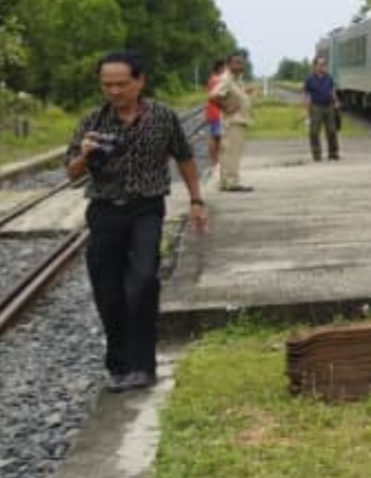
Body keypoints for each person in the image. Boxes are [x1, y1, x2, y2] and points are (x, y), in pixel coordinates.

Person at [66, 51, 209, 392]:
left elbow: (184, 157)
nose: (114, 91)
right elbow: (71, 174)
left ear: (139, 81)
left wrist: (196, 199)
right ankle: (119, 365)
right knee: (108, 289)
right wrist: (85, 155)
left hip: (146, 209)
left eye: (121, 84)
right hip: (104, 211)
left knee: (144, 281)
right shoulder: (92, 121)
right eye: (107, 85)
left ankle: (143, 366)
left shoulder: (162, 117)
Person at [210, 50, 255, 191]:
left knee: (226, 152)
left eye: (242, 62)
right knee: (232, 153)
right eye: (237, 62)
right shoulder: (227, 78)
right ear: (229, 64)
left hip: (237, 121)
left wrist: (244, 95)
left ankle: (225, 182)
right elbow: (213, 96)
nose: (241, 65)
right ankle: (232, 182)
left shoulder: (236, 78)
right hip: (233, 121)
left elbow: (232, 94)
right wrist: (226, 106)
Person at [302, 55, 341, 161]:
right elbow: (305, 94)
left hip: (329, 106)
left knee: (332, 131)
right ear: (315, 66)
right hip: (316, 107)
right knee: (314, 131)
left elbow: (332, 91)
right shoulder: (309, 79)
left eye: (324, 64)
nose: (322, 66)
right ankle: (316, 154)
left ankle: (333, 153)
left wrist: (336, 101)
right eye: (320, 64)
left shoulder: (329, 77)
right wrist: (305, 110)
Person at [203, 57, 227, 178]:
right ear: (220, 67)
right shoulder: (217, 79)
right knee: (216, 138)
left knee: (215, 137)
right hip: (216, 112)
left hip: (213, 111)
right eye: (225, 67)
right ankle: (215, 162)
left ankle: (215, 162)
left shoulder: (213, 78)